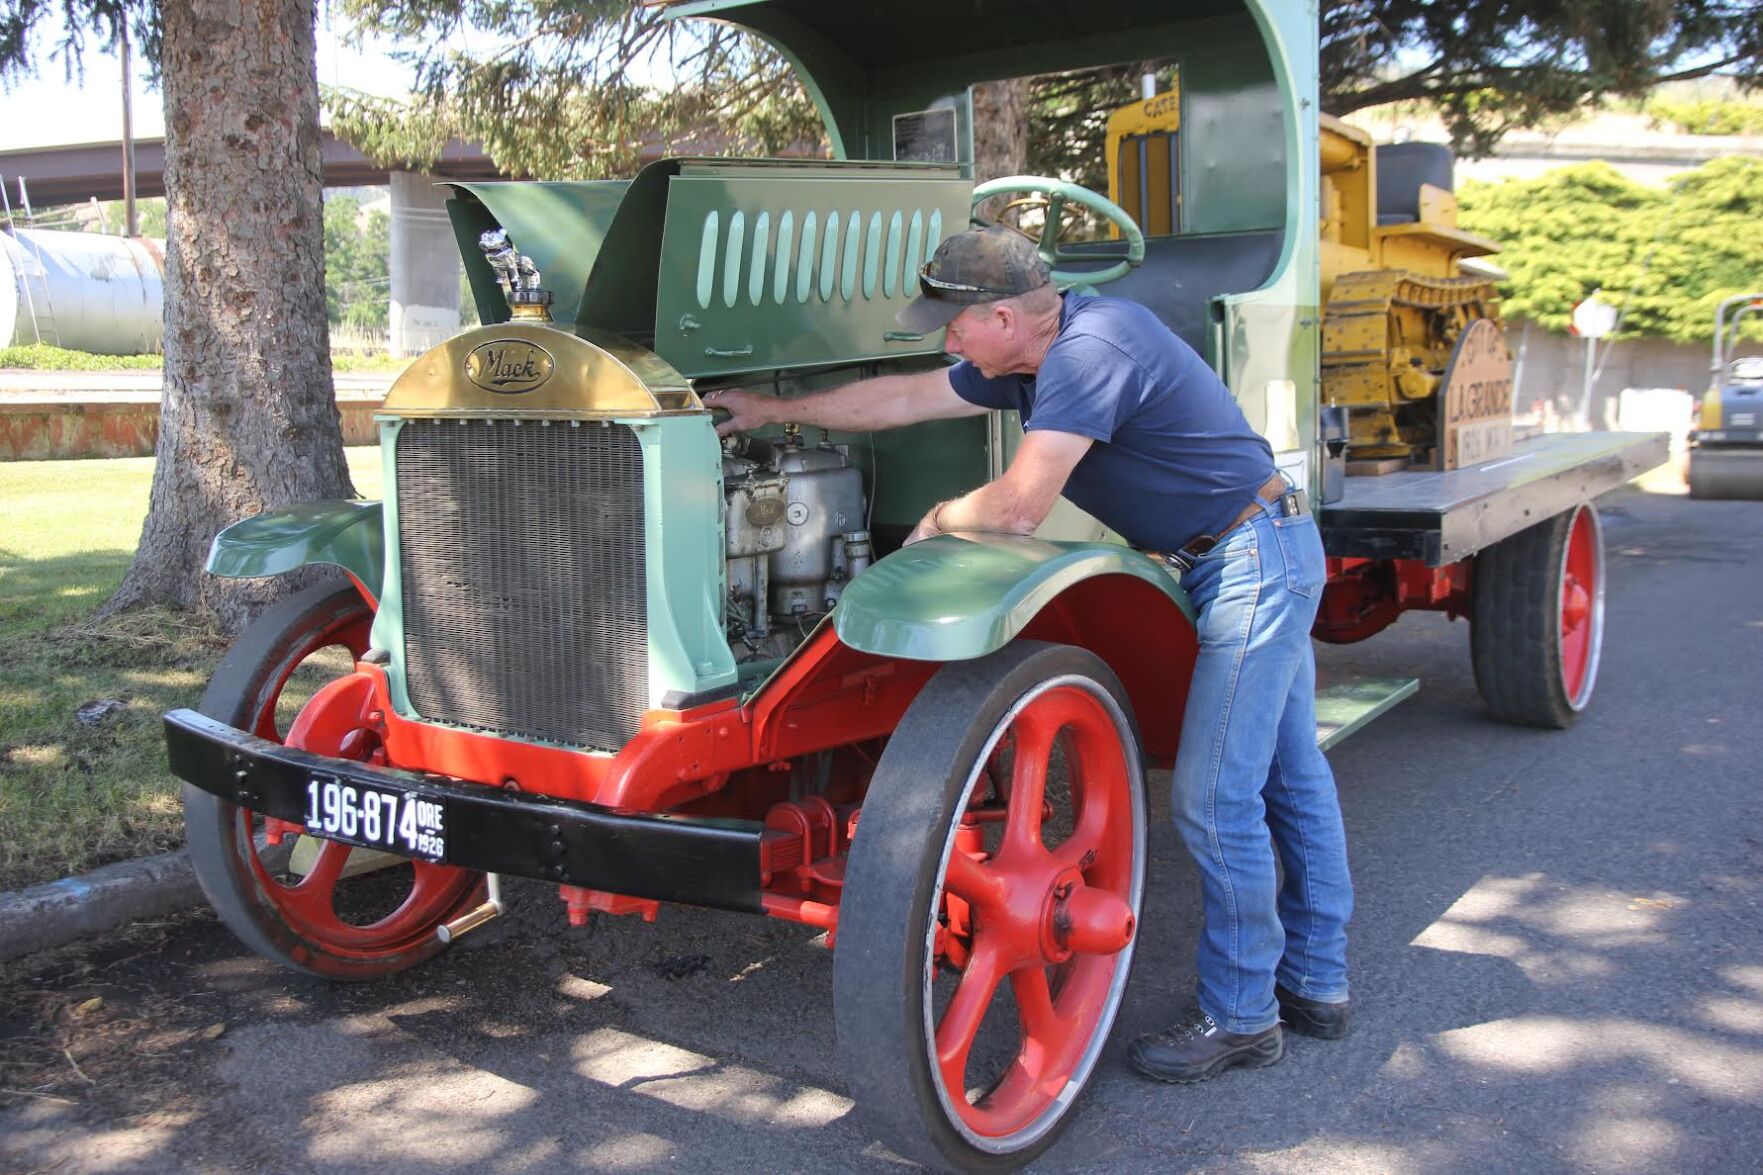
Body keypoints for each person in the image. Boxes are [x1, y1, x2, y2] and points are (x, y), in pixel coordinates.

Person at [709, 226, 1353, 1083]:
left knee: (1212, 798)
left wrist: (940, 519)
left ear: (1006, 316)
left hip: (1251, 560)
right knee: (1287, 773)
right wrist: (771, 410)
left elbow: (1015, 507)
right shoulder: (1029, 356)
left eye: (954, 323)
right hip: (1240, 547)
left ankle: (1243, 1014)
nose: (945, 337)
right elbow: (901, 398)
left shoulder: (1093, 350)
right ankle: (1316, 980)